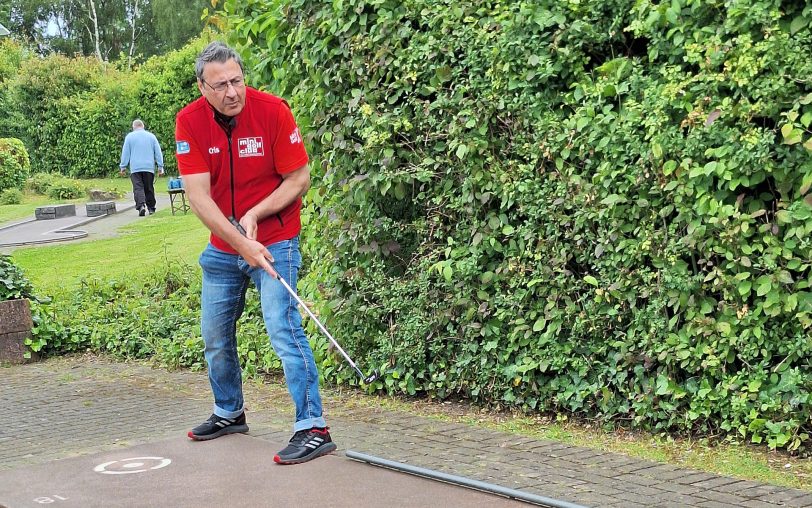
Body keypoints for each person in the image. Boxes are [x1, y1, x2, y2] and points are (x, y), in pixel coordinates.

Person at [174, 41, 335, 465]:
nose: (232, 92)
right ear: (202, 87)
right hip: (224, 248)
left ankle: (313, 427)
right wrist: (240, 241)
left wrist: (256, 213)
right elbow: (198, 197)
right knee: (214, 334)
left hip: (276, 239)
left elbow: (298, 178)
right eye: (220, 85)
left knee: (284, 329)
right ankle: (229, 412)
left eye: (237, 81)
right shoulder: (189, 121)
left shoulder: (273, 111)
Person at [119, 119, 165, 216]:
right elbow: (158, 152)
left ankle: (141, 206)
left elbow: (126, 153)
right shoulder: (151, 137)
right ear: (143, 126)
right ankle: (151, 208)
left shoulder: (129, 137)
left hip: (135, 168)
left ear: (133, 127)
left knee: (138, 188)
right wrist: (160, 166)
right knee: (149, 187)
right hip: (148, 167)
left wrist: (123, 166)